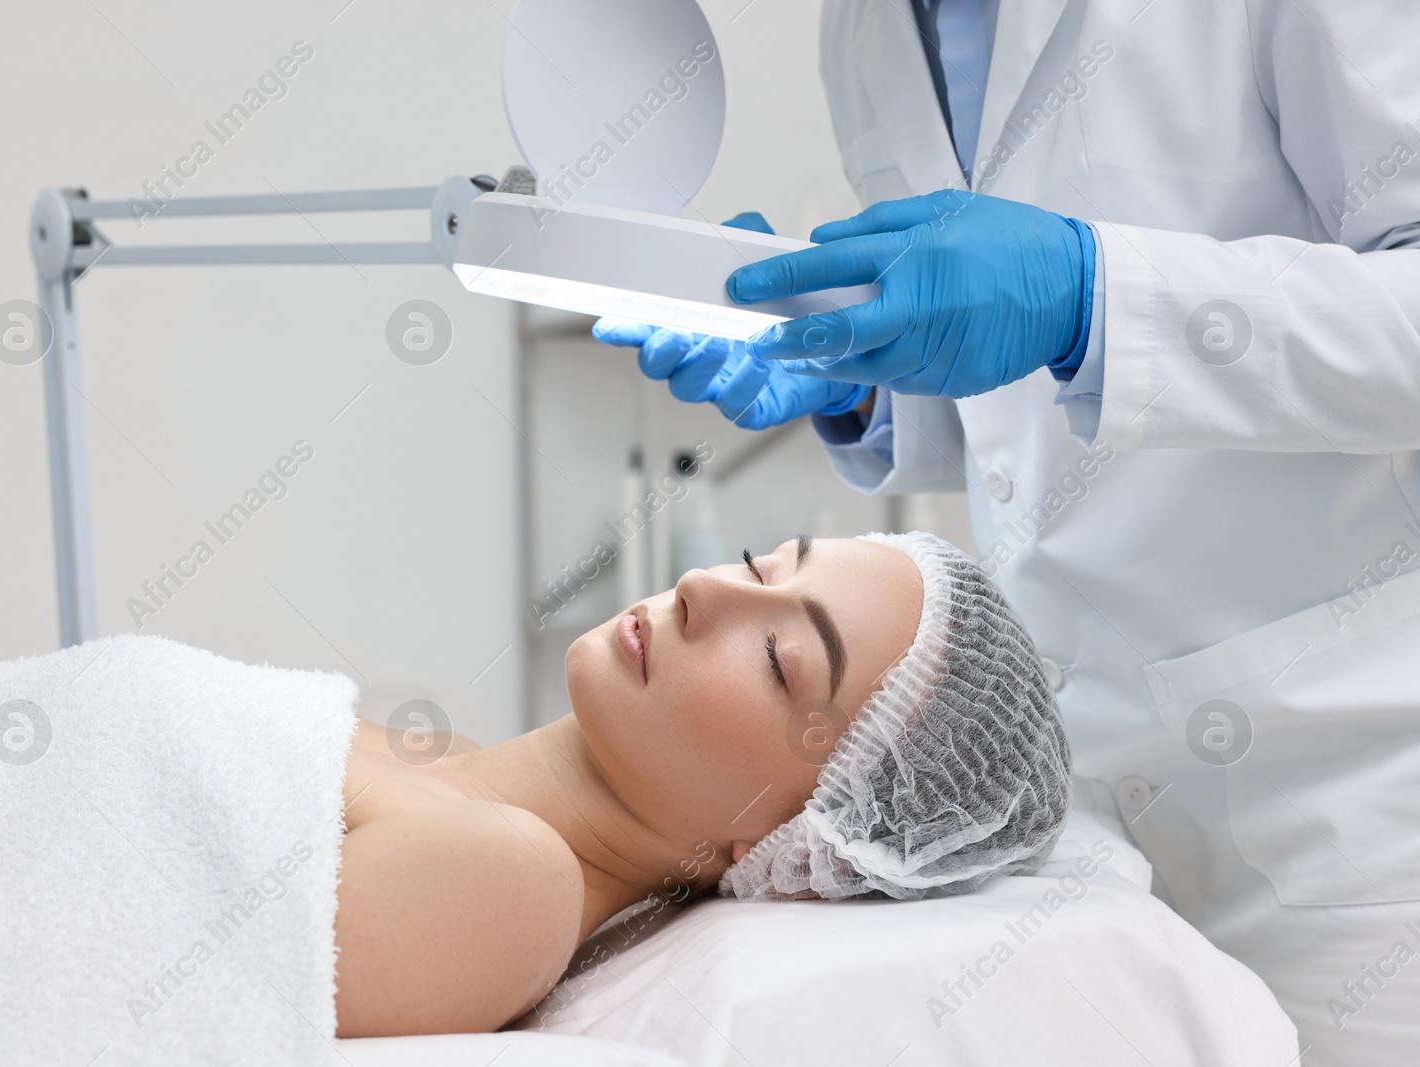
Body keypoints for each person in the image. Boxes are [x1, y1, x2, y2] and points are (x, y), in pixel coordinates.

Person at [594, 2, 1420, 1063]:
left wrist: (1090, 290)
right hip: (1085, 803)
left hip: (1351, 773)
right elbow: (1019, 395)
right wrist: (849, 377)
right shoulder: (864, 30)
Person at [332, 532, 1070, 1036]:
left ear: (801, 850)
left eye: (779, 658)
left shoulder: (511, 883)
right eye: (758, 565)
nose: (699, 586)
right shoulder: (446, 762)